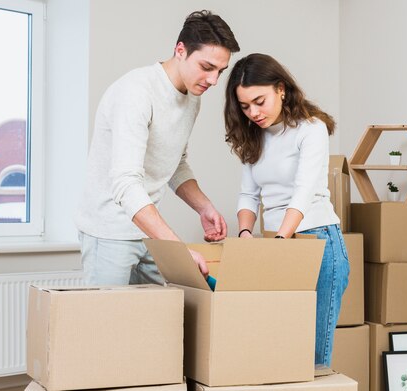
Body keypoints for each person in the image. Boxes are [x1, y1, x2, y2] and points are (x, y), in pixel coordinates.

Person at [75, 10, 240, 286]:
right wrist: (179, 251)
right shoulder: (136, 92)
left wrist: (204, 207)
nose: (213, 81)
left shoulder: (191, 99)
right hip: (109, 232)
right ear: (180, 50)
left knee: (163, 321)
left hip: (148, 231)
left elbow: (175, 162)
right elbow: (126, 184)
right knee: (107, 325)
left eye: (220, 72)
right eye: (207, 67)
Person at [223, 53, 349, 366]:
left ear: (281, 88)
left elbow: (303, 193)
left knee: (313, 358)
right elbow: (248, 195)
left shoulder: (311, 129)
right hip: (278, 242)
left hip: (317, 242)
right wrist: (246, 233)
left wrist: (279, 241)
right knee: (279, 352)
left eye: (259, 101)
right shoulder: (255, 136)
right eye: (244, 106)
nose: (253, 112)